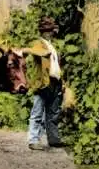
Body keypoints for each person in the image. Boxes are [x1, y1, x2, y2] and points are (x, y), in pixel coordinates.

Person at [25, 16, 66, 150]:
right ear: (43, 32)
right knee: (37, 112)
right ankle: (33, 140)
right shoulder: (38, 44)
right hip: (42, 83)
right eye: (48, 30)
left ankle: (53, 139)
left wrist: (62, 82)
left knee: (53, 113)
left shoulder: (52, 46)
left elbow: (56, 66)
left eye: (51, 30)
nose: (50, 32)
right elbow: (33, 51)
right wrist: (44, 52)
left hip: (55, 82)